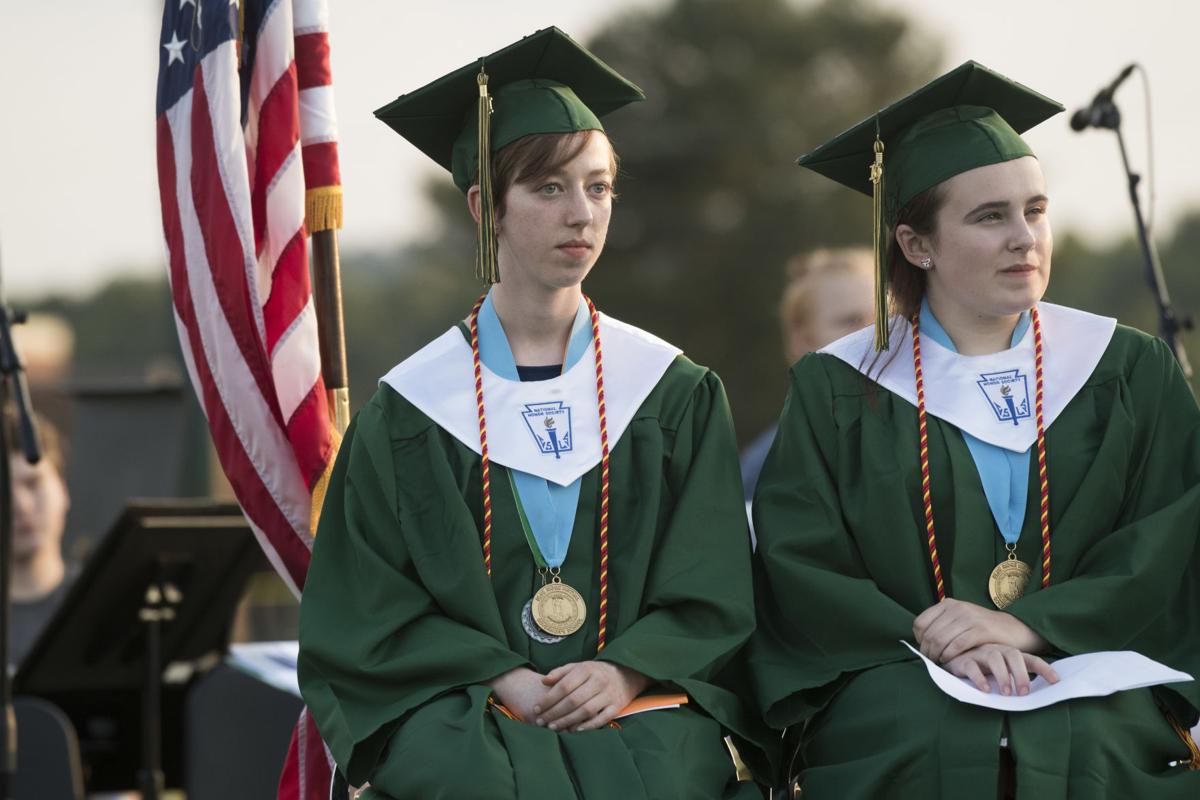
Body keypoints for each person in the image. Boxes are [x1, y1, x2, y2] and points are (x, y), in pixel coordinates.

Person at [297, 28, 766, 800]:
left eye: (599, 186)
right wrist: (501, 675)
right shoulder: (413, 410)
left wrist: (624, 668)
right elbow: (367, 607)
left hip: (642, 701)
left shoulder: (670, 392)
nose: (581, 214)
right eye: (549, 189)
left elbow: (715, 583)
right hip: (470, 709)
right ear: (487, 207)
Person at [747, 61, 1200, 798]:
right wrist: (940, 638)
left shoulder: (1126, 368)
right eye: (990, 217)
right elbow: (803, 562)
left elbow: (1168, 539)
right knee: (926, 739)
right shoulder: (838, 386)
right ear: (916, 244)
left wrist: (1031, 626)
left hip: (1091, 668)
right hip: (899, 672)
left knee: (1089, 740)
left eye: (1035, 209)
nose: (1024, 237)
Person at [739, 248, 873, 501]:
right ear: (803, 341)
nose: (875, 333)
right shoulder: (770, 465)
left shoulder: (933, 432)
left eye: (885, 317)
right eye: (851, 320)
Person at [6, 409, 76, 667]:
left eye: (33, 484)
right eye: (4, 490)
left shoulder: (102, 608)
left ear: (63, 489)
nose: (21, 506)